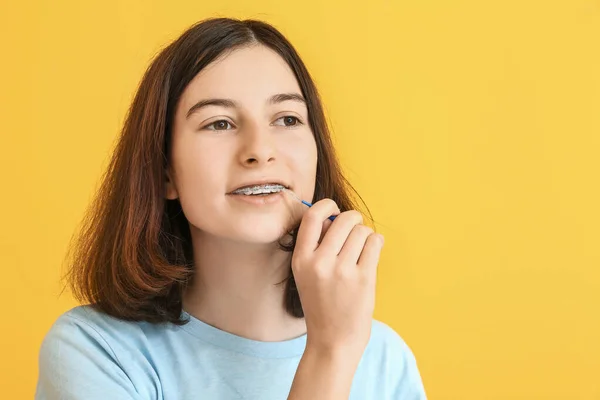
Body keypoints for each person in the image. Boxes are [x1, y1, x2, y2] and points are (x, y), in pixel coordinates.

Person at [35, 17, 427, 399]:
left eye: (287, 118)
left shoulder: (385, 360)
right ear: (165, 172)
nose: (260, 150)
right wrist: (330, 355)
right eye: (219, 123)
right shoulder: (97, 353)